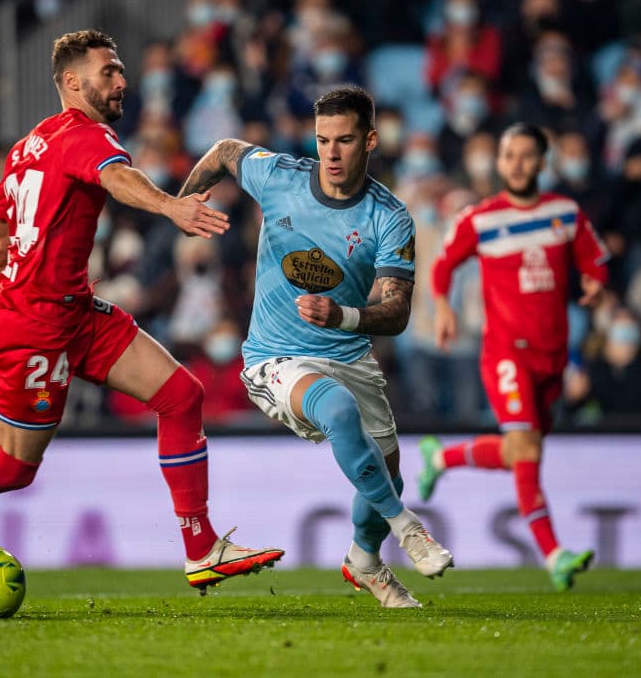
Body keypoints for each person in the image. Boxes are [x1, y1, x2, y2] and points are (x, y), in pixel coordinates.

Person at [0, 29, 282, 594]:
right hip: (38, 323)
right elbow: (116, 178)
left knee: (181, 394)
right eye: (108, 70)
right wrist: (170, 207)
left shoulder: (24, 149)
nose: (121, 79)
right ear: (71, 81)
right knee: (11, 467)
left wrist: (18, 288)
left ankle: (200, 547)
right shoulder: (83, 136)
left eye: (120, 70)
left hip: (72, 312)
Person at [178, 86, 453, 609]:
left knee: (386, 469)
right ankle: (408, 527)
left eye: (344, 140)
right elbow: (223, 153)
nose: (330, 152)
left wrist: (344, 315)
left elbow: (396, 312)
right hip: (275, 357)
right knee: (338, 411)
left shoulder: (389, 216)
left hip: (349, 352)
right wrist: (180, 206)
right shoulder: (279, 176)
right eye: (322, 139)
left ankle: (365, 562)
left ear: (369, 140)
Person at [418, 122, 609, 591]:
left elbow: (595, 259)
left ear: (543, 163)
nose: (516, 164)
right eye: (509, 155)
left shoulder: (565, 214)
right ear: (500, 162)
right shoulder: (479, 219)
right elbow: (441, 266)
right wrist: (443, 307)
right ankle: (554, 554)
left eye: (526, 155)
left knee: (521, 453)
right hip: (506, 352)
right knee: (526, 450)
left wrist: (595, 281)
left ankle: (441, 459)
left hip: (553, 357)